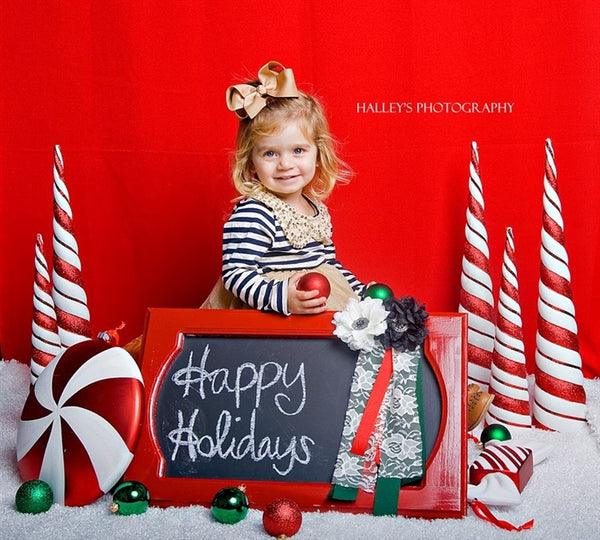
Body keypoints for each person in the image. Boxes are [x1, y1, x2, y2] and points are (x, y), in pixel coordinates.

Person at [200, 61, 365, 315]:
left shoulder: (314, 208)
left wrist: (362, 294)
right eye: (270, 153)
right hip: (271, 311)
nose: (285, 164)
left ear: (318, 153)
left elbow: (328, 265)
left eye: (298, 150)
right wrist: (281, 298)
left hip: (313, 300)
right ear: (251, 161)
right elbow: (235, 274)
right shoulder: (255, 212)